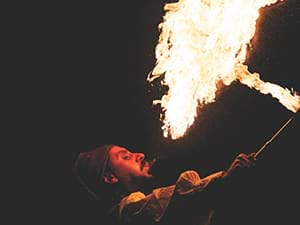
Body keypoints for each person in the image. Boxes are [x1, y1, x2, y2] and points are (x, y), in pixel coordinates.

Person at [73, 144, 256, 225]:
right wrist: (223, 181)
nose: (140, 155)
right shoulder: (125, 213)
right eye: (126, 156)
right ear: (110, 177)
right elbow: (179, 202)